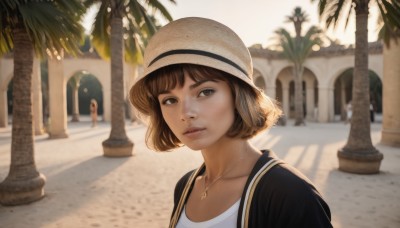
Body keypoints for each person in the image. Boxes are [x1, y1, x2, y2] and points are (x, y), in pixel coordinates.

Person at [130, 17, 332, 228]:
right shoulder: (185, 187)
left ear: (238, 95)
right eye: (169, 100)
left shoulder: (290, 195)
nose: (185, 113)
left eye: (205, 92)